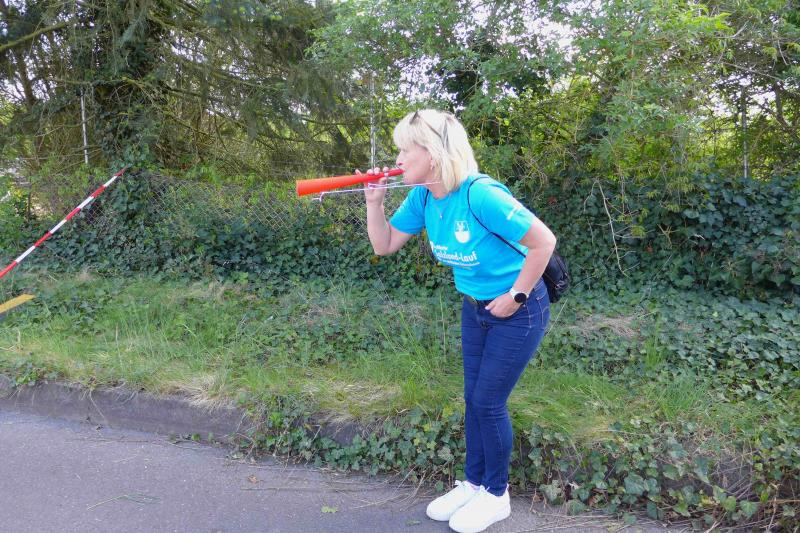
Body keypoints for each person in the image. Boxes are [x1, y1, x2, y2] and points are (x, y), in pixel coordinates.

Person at [360, 109, 556, 533]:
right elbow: (384, 244)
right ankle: (474, 484)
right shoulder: (424, 197)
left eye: (404, 149)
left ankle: (496, 495)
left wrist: (516, 295)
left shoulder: (480, 195)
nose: (398, 158)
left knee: (488, 401)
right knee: (473, 399)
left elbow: (544, 242)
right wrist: (374, 203)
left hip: (519, 308)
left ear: (432, 153)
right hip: (475, 308)